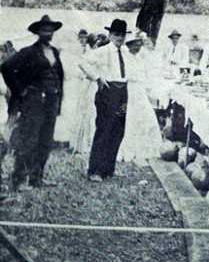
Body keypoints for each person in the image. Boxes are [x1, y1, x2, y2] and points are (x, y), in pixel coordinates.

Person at [0, 15, 64, 190]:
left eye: (50, 30)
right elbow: (6, 67)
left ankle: (36, 178)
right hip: (34, 101)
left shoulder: (55, 52)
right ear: (38, 32)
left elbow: (59, 77)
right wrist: (21, 90)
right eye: (44, 29)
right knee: (29, 139)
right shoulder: (28, 52)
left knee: (45, 140)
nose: (47, 33)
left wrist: (58, 102)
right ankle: (18, 179)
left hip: (51, 101)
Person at [79, 19, 132, 182]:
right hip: (108, 92)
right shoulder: (103, 50)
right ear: (110, 34)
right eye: (116, 34)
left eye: (122, 35)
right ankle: (94, 170)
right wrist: (97, 77)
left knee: (118, 130)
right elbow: (83, 62)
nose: (120, 38)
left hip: (122, 91)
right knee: (104, 129)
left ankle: (108, 169)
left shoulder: (124, 51)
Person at [117, 33, 162, 166]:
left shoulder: (139, 58)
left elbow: (145, 74)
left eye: (139, 44)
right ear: (129, 46)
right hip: (130, 90)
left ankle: (147, 149)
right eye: (135, 45)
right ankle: (129, 149)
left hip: (140, 91)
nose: (138, 47)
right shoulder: (125, 58)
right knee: (131, 119)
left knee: (147, 117)